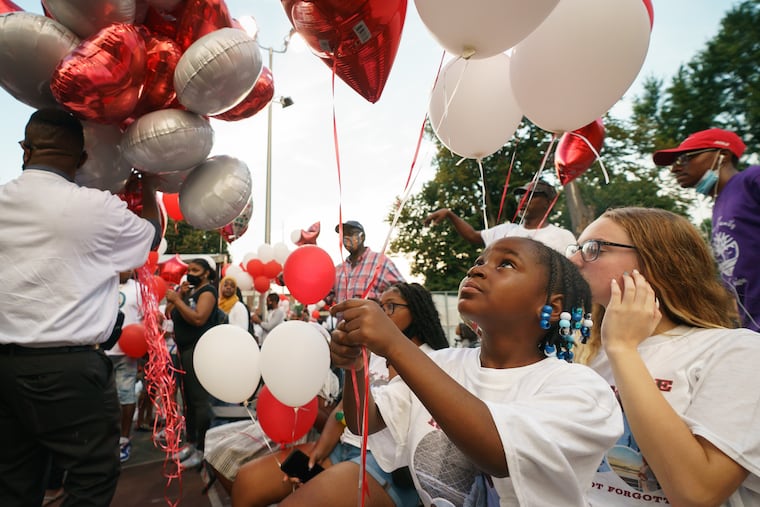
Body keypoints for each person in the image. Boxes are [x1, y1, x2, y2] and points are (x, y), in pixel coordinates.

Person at [300, 238, 622, 506]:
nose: (476, 269)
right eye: (480, 260)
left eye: (506, 264)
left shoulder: (581, 389)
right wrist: (356, 367)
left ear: (551, 306)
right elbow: (365, 422)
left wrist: (396, 345)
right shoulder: (442, 364)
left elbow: (498, 454)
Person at [0, 108, 160, 506]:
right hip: (71, 373)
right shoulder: (96, 208)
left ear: (25, 150)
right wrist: (151, 188)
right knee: (93, 476)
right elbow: (150, 238)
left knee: (14, 481)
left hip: (6, 368)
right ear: (84, 158)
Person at [567, 207, 760, 506]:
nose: (573, 260)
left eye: (594, 249)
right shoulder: (585, 353)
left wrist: (623, 350)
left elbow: (698, 492)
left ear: (659, 261)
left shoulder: (736, 351)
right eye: (576, 248)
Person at [232, 282, 450, 507]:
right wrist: (319, 450)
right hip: (342, 448)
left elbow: (366, 421)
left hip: (385, 467)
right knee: (247, 482)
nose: (381, 314)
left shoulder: (434, 361)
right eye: (379, 306)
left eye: (390, 306)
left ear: (416, 311)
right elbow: (341, 412)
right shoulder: (374, 354)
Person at [653, 129, 760, 331]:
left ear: (722, 155)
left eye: (685, 158)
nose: (675, 169)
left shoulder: (751, 179)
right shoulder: (720, 202)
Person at [165, 258, 219, 470]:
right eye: (189, 270)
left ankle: (202, 448)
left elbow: (198, 319)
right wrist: (179, 297)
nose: (191, 273)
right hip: (184, 350)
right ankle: (192, 442)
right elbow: (169, 312)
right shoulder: (190, 292)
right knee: (187, 400)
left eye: (196, 270)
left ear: (206, 273)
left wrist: (178, 302)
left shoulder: (208, 292)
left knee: (199, 401)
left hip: (198, 351)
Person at [424, 179, 576, 253]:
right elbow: (472, 236)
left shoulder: (563, 236)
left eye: (531, 196)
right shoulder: (506, 231)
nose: (523, 200)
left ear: (548, 203)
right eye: (520, 196)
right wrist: (450, 214)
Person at [105, 270, 143, 464]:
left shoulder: (139, 289)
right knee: (103, 399)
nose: (128, 269)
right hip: (101, 352)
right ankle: (105, 439)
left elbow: (146, 320)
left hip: (127, 353)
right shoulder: (103, 284)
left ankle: (124, 438)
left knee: (126, 395)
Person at [334, 220, 405, 302]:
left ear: (362, 237)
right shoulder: (338, 270)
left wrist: (375, 298)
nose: (346, 238)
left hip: (373, 314)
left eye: (350, 234)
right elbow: (326, 296)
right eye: (343, 235)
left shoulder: (381, 262)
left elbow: (405, 293)